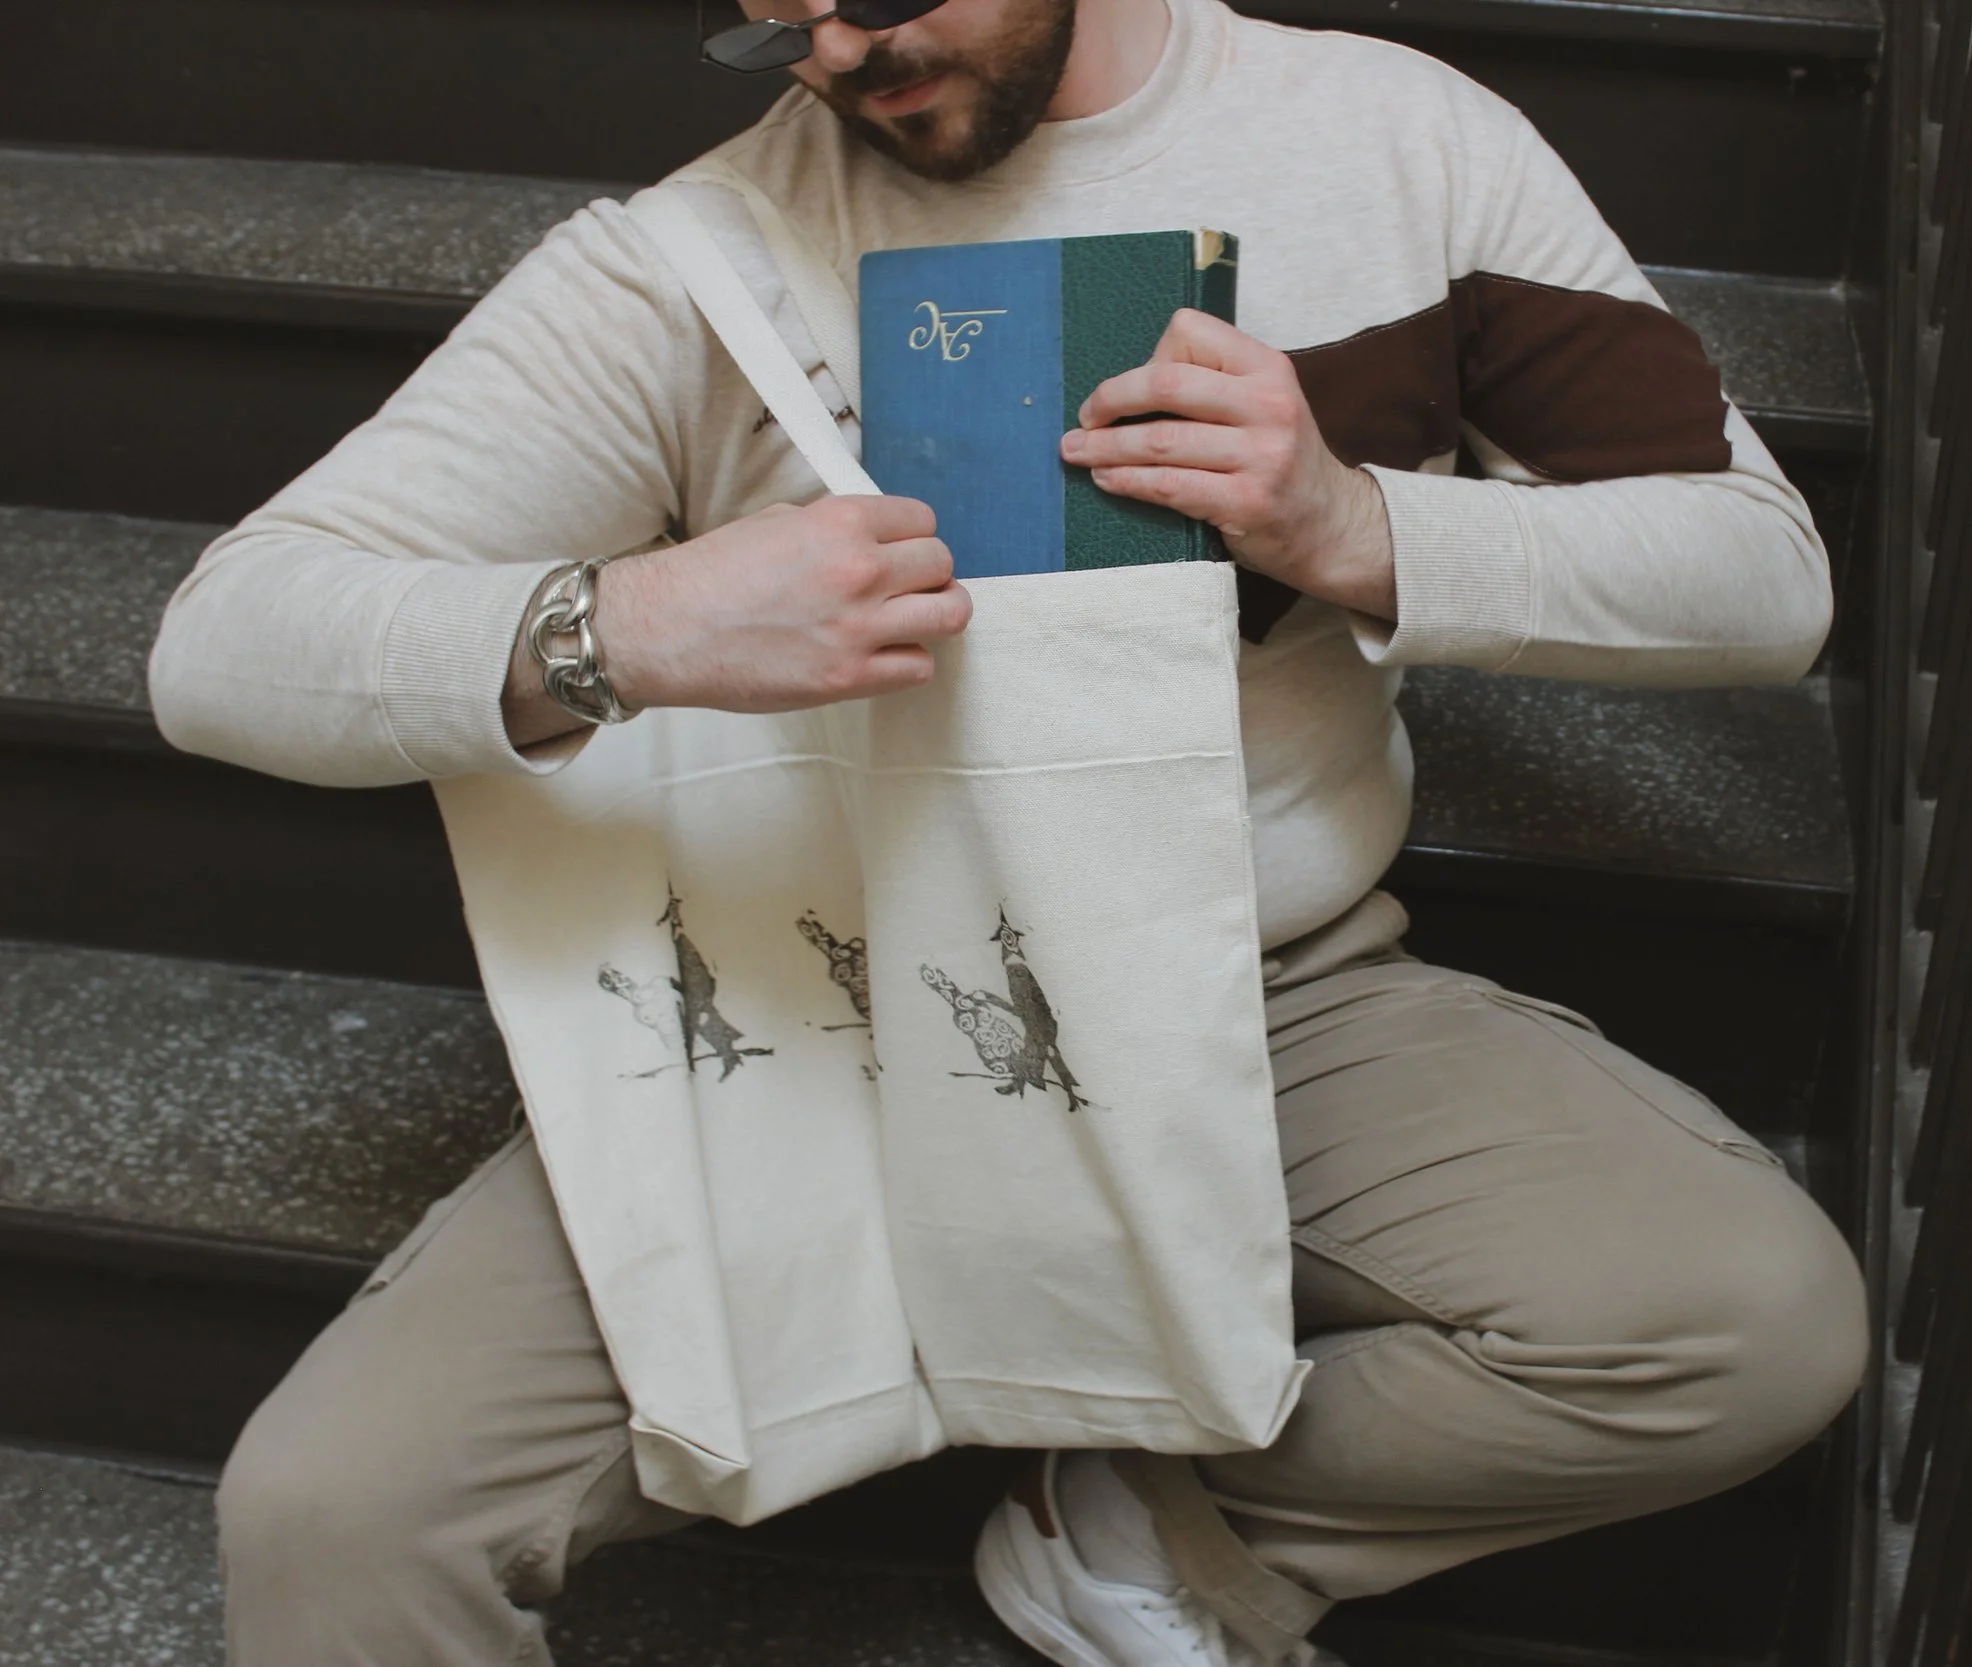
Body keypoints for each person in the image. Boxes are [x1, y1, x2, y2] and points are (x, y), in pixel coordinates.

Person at [149, 0, 1870, 1660]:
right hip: (828, 1014)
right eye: (778, 19)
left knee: (1744, 1318)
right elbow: (225, 643)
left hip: (1258, 986)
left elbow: (1761, 574)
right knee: (339, 1517)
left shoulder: (1396, 142)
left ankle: (1150, 1535)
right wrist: (624, 628)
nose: (838, 51)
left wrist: (1352, 525)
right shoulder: (691, 262)